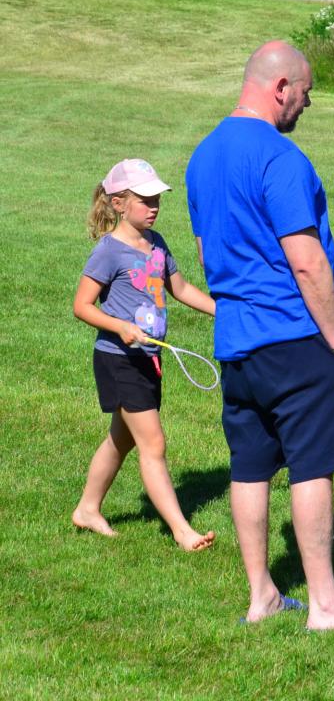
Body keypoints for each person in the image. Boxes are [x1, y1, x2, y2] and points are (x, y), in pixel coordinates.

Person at [185, 41, 334, 628]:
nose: (306, 105)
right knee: (311, 464)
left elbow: (205, 252)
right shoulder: (280, 157)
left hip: (235, 340)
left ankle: (263, 596)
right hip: (294, 334)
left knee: (249, 465)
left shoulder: (202, 156)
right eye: (305, 93)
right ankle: (326, 604)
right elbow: (306, 261)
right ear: (281, 88)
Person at [71, 159, 217, 552]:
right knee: (153, 444)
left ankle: (87, 509)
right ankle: (182, 531)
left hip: (148, 359)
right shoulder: (108, 251)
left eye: (157, 200)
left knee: (121, 440)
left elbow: (180, 289)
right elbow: (82, 305)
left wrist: (223, 311)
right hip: (118, 358)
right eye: (145, 200)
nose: (154, 207)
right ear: (119, 204)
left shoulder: (157, 243)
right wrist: (119, 326)